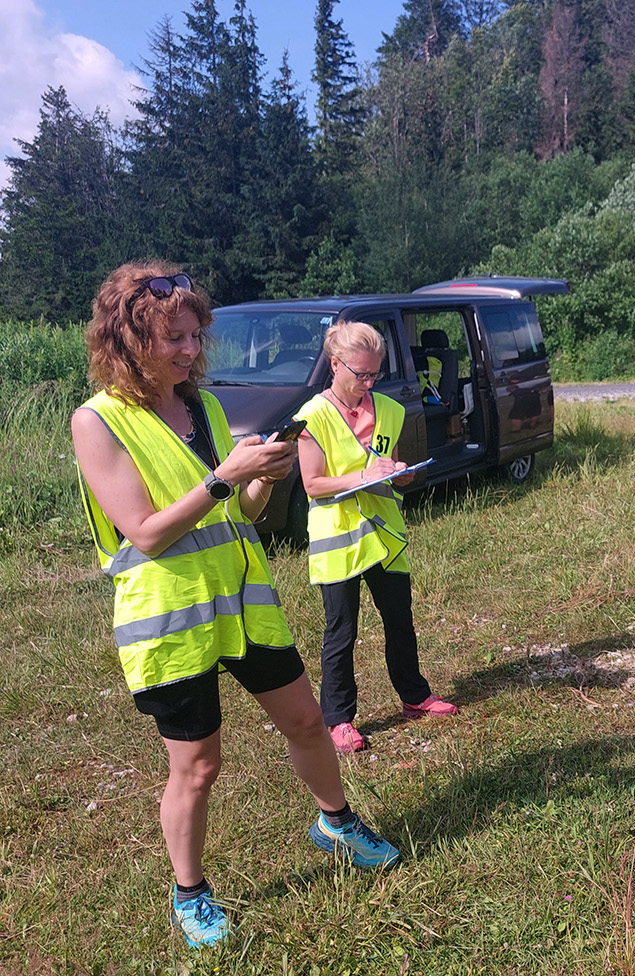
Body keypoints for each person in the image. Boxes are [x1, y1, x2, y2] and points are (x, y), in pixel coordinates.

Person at [71, 263, 400, 948]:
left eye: (195, 336)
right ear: (128, 341)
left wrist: (263, 479)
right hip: (171, 618)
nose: (191, 351)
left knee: (309, 721)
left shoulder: (207, 409)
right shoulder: (97, 422)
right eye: (173, 339)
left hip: (245, 605)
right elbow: (147, 531)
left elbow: (241, 514)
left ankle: (335, 822)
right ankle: (189, 895)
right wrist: (226, 479)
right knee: (197, 765)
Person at [296, 321, 457, 756]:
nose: (367, 384)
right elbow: (312, 484)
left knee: (400, 620)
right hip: (339, 540)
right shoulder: (311, 416)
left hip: (385, 535)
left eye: (374, 375)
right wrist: (362, 476)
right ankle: (339, 720)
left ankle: (415, 697)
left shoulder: (390, 409)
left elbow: (392, 468)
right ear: (335, 365)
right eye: (360, 374)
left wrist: (402, 476)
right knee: (341, 631)